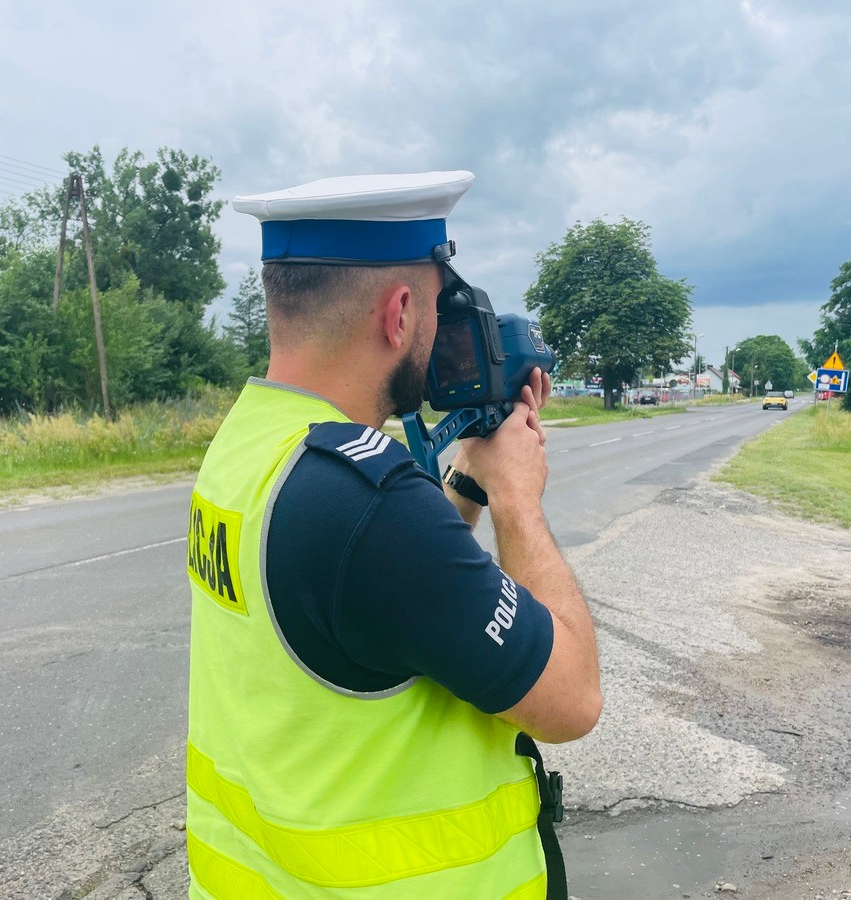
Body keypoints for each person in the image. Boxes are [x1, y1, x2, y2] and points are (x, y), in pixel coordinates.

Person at [185, 171, 602, 899]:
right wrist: (516, 500)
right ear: (400, 313)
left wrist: (468, 484)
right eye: (443, 311)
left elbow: (390, 603)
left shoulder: (251, 443)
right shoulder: (370, 504)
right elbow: (573, 701)